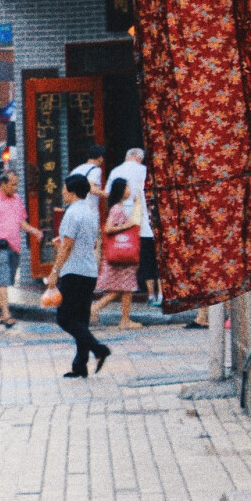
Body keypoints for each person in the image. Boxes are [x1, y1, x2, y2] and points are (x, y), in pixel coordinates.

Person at [45, 172, 110, 378]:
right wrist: (63, 243)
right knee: (81, 319)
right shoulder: (90, 212)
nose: (62, 192)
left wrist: (55, 271)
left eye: (64, 189)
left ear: (72, 192)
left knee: (64, 318)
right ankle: (80, 365)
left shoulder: (72, 213)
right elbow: (91, 242)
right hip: (89, 271)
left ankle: (98, 348)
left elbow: (68, 246)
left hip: (73, 271)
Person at [0, 168, 41, 327]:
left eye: (16, 185)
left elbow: (22, 222)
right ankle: (6, 316)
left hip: (15, 244)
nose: (15, 188)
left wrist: (34, 231)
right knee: (4, 280)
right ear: (3, 183)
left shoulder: (17, 199)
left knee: (6, 281)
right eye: (12, 185)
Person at [106, 147, 161, 308]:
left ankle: (151, 295)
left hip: (130, 225)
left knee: (144, 261)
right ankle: (163, 295)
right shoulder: (145, 171)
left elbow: (109, 194)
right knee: (158, 261)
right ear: (139, 158)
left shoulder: (116, 171)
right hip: (150, 223)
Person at [91, 176, 142, 331]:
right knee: (122, 288)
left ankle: (124, 319)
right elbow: (108, 228)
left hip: (120, 256)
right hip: (120, 256)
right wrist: (127, 225)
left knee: (125, 287)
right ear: (120, 191)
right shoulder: (116, 209)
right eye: (126, 187)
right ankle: (95, 309)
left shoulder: (117, 207)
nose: (129, 190)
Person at [71, 144, 105, 220]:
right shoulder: (95, 170)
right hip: (89, 212)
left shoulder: (77, 170)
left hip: (74, 213)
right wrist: (107, 194)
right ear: (100, 157)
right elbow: (91, 188)